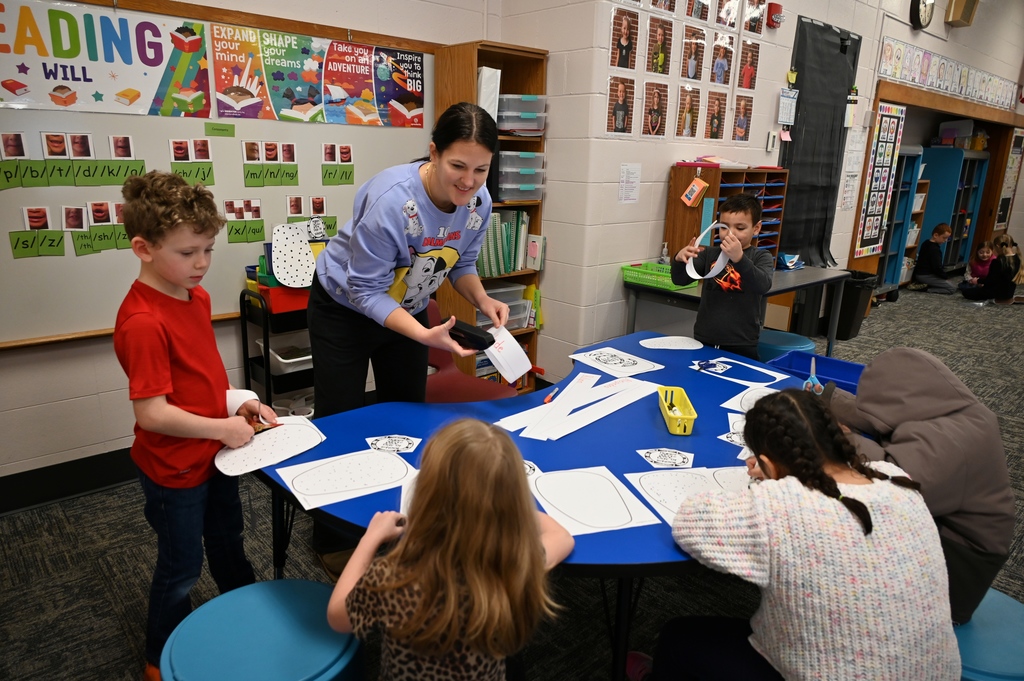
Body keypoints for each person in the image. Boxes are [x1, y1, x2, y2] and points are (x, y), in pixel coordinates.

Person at [627, 389, 960, 681]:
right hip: (936, 670)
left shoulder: (779, 505)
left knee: (678, 638)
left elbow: (688, 522)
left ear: (768, 464)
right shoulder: (896, 478)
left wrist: (765, 482)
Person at [308, 102, 509, 572]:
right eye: (458, 166)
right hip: (345, 310)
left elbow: (460, 264)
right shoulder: (390, 201)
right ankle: (333, 536)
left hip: (409, 313)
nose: (469, 181)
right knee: (339, 421)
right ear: (434, 153)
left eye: (481, 169)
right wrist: (422, 333)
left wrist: (483, 301)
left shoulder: (478, 202)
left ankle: (400, 520)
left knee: (405, 417)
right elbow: (365, 290)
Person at [113, 171, 277, 681]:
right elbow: (152, 413)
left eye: (207, 248)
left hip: (213, 456)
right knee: (181, 568)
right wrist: (222, 429)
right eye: (188, 253)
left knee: (229, 542)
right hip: (173, 471)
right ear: (143, 247)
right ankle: (157, 657)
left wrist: (238, 403)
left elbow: (197, 381)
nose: (202, 263)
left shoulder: (196, 297)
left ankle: (249, 616)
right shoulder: (143, 321)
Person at [327, 418, 574, 680]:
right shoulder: (515, 566)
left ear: (425, 495)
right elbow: (562, 537)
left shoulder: (395, 577)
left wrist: (370, 538)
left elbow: (338, 617)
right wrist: (504, 503)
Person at [825, 348, 1014, 624]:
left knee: (835, 522)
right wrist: (826, 398)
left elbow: (889, 481)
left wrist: (840, 436)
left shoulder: (949, 444)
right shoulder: (950, 408)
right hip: (950, 532)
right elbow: (876, 412)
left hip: (957, 570)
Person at [670, 193, 773, 360]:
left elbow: (762, 285)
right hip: (706, 338)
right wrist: (679, 259)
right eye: (724, 227)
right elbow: (680, 280)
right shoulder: (709, 253)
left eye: (740, 228)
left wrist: (739, 259)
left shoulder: (761, 256)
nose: (730, 234)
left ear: (756, 228)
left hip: (742, 342)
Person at [960, 233, 1021, 303]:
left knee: (966, 292)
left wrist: (978, 281)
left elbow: (991, 280)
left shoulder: (997, 261)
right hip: (1009, 293)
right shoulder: (1017, 258)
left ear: (997, 246)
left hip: (994, 292)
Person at [910, 223, 956, 293]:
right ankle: (926, 289)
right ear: (935, 235)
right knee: (952, 288)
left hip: (922, 274)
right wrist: (945, 277)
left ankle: (927, 285)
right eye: (944, 238)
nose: (945, 240)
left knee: (949, 283)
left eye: (947, 238)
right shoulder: (935, 250)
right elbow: (937, 268)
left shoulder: (926, 242)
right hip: (925, 275)